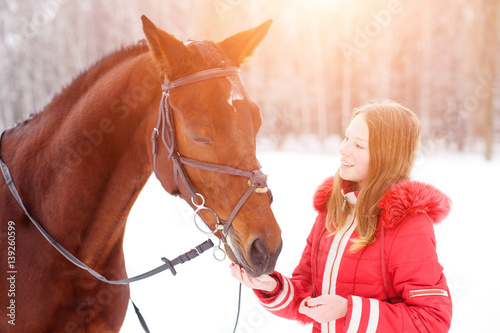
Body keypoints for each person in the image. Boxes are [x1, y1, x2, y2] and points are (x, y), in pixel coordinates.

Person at [230, 99, 452, 332]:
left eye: (359, 145)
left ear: (386, 156)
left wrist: (348, 310)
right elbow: (308, 294)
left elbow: (431, 321)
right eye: (347, 138)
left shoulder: (408, 224)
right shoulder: (333, 210)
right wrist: (270, 285)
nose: (343, 148)